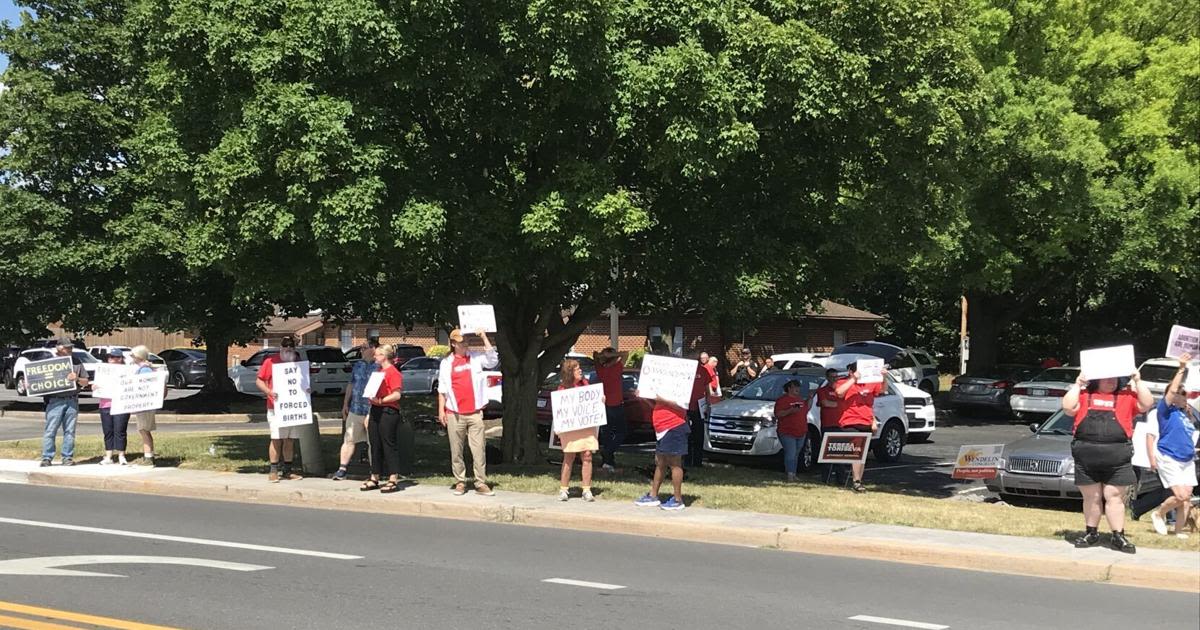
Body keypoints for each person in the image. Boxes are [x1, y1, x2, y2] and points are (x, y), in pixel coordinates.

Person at [1061, 367, 1154, 553]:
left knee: (1114, 497)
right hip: (1087, 458)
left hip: (1118, 458)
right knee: (1092, 497)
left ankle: (1118, 536)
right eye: (1106, 378)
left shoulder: (1126, 397)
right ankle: (1091, 533)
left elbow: (1146, 404)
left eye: (1114, 378)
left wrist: (1138, 380)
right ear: (1097, 380)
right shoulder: (1084, 395)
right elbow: (1068, 408)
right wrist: (1078, 384)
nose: (1111, 381)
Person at [438, 328, 499, 496]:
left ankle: (480, 482)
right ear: (453, 343)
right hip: (454, 412)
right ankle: (460, 481)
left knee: (479, 449)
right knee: (456, 449)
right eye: (461, 341)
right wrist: (441, 410)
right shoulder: (446, 363)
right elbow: (442, 388)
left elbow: (492, 360)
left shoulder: (475, 358)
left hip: (474, 412)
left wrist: (484, 337)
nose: (465, 344)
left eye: (466, 341)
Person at [1145, 353, 1197, 539]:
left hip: (1187, 459)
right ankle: (1158, 513)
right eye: (1181, 394)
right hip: (1169, 456)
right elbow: (1172, 390)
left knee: (1187, 497)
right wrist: (1181, 368)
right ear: (1173, 396)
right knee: (1181, 495)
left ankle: (1177, 532)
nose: (1185, 396)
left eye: (1186, 394)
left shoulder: (1186, 415)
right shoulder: (1165, 411)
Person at [257, 337, 306, 483]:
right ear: (281, 348)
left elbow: (304, 382)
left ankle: (288, 470)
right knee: (276, 438)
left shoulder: (298, 363)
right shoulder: (271, 362)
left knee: (289, 439)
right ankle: (273, 470)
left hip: (292, 408)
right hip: (275, 407)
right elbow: (259, 380)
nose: (288, 350)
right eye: (285, 347)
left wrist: (307, 389)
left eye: (291, 347)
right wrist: (269, 392)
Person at [635, 387, 688, 511]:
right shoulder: (666, 387)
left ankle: (677, 499)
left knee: (675, 463)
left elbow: (680, 407)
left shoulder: (683, 386)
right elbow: (658, 405)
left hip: (674, 426)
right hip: (662, 428)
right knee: (660, 462)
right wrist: (645, 398)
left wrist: (660, 399)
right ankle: (653, 495)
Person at [835, 362, 884, 493]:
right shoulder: (844, 382)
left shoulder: (870, 383)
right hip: (850, 421)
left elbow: (883, 390)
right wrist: (853, 379)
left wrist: (884, 376)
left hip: (866, 422)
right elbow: (839, 392)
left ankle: (858, 480)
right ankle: (856, 481)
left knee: (862, 455)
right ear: (851, 372)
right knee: (856, 452)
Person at [40, 338, 89, 467]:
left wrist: (77, 378)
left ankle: (67, 457)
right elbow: (38, 382)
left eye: (71, 347)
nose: (70, 350)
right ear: (59, 348)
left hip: (72, 401)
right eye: (67, 348)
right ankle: (47, 457)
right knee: (50, 431)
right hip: (55, 401)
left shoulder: (77, 362)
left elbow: (86, 382)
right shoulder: (49, 362)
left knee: (70, 431)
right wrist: (31, 384)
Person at [362, 344, 404, 493]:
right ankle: (375, 476)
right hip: (375, 410)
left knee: (388, 444)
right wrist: (369, 412)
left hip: (388, 411)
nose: (375, 357)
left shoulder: (393, 372)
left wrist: (381, 400)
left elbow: (397, 394)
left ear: (385, 356)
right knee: (375, 443)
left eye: (378, 354)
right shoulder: (378, 372)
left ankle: (393, 478)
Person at [555, 359, 598, 501]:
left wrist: (600, 400)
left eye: (579, 368)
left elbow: (593, 402)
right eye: (576, 369)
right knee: (569, 457)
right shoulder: (563, 389)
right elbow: (559, 410)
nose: (580, 370)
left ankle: (586, 490)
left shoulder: (585, 385)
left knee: (587, 455)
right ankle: (564, 489)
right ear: (569, 372)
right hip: (570, 428)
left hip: (586, 426)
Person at [334, 340, 376, 481]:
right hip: (355, 408)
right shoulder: (358, 365)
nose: (361, 351)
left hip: (371, 409)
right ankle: (342, 469)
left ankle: (374, 472)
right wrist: (346, 403)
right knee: (349, 438)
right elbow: (351, 384)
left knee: (372, 442)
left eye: (364, 348)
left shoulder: (379, 366)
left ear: (373, 349)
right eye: (361, 348)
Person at [593, 347, 630, 473]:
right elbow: (626, 353)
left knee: (607, 434)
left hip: (604, 405)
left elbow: (595, 355)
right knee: (622, 432)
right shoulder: (617, 368)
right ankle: (607, 453)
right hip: (616, 405)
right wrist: (613, 354)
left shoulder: (600, 369)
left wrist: (604, 355)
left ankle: (608, 461)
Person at [128, 346, 162, 466]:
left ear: (139, 356)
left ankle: (148, 458)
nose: (131, 357)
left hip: (146, 405)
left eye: (133, 355)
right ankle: (148, 456)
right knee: (143, 429)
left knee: (144, 430)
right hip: (143, 404)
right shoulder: (144, 368)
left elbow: (147, 386)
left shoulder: (145, 370)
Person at [96, 350, 130, 466]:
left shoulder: (127, 371)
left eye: (118, 357)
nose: (114, 359)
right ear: (108, 359)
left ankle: (121, 455)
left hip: (121, 404)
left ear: (122, 359)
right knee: (108, 431)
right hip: (105, 404)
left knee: (120, 430)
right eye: (112, 357)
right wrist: (95, 387)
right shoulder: (102, 371)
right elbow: (96, 385)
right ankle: (109, 456)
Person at [775, 379, 810, 481]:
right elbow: (778, 414)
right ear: (789, 388)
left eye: (799, 387)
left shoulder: (800, 399)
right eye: (795, 387)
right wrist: (790, 410)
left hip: (801, 431)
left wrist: (809, 399)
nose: (798, 389)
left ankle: (793, 473)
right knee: (791, 452)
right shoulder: (782, 400)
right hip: (787, 431)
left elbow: (805, 409)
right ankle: (790, 474)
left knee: (796, 453)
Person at [815, 368, 844, 482]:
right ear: (827, 378)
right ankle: (825, 478)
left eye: (836, 377)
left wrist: (837, 404)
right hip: (828, 424)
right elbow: (825, 403)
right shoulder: (822, 390)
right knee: (827, 452)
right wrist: (841, 405)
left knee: (841, 453)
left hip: (841, 424)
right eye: (832, 377)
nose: (834, 379)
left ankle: (840, 479)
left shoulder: (842, 390)